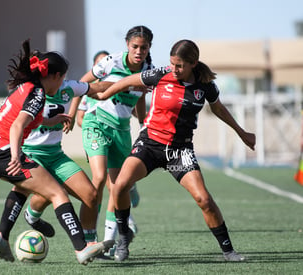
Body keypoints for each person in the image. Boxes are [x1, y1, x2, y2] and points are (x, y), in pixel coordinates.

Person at [91, 39, 256, 262]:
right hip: (150, 144)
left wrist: (242, 132)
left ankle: (229, 251)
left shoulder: (205, 85)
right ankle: (123, 239)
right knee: (119, 186)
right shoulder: (160, 74)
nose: (174, 69)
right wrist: (104, 94)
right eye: (172, 64)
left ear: (193, 64)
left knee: (204, 200)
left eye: (179, 66)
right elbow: (127, 81)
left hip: (179, 151)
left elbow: (218, 108)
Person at [0, 39, 113, 265]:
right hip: (1, 150)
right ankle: (82, 249)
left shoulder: (26, 87)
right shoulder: (38, 93)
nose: (62, 84)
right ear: (55, 76)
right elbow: (18, 125)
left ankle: (2, 236)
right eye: (62, 78)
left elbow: (17, 115)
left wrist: (52, 121)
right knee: (58, 194)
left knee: (32, 188)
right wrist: (15, 156)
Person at [77, 26, 154, 252]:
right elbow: (83, 81)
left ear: (150, 47)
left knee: (117, 188)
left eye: (144, 47)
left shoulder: (149, 69)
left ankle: (109, 242)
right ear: (127, 45)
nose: (139, 51)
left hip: (122, 131)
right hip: (97, 122)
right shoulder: (112, 62)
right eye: (135, 46)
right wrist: (73, 113)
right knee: (99, 179)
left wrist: (142, 125)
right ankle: (89, 239)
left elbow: (140, 97)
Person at [22, 77, 113, 243]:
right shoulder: (28, 89)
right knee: (50, 194)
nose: (63, 78)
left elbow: (98, 86)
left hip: (56, 155)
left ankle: (90, 242)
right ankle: (32, 216)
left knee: (91, 195)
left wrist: (129, 84)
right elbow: (5, 110)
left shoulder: (68, 87)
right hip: (31, 154)